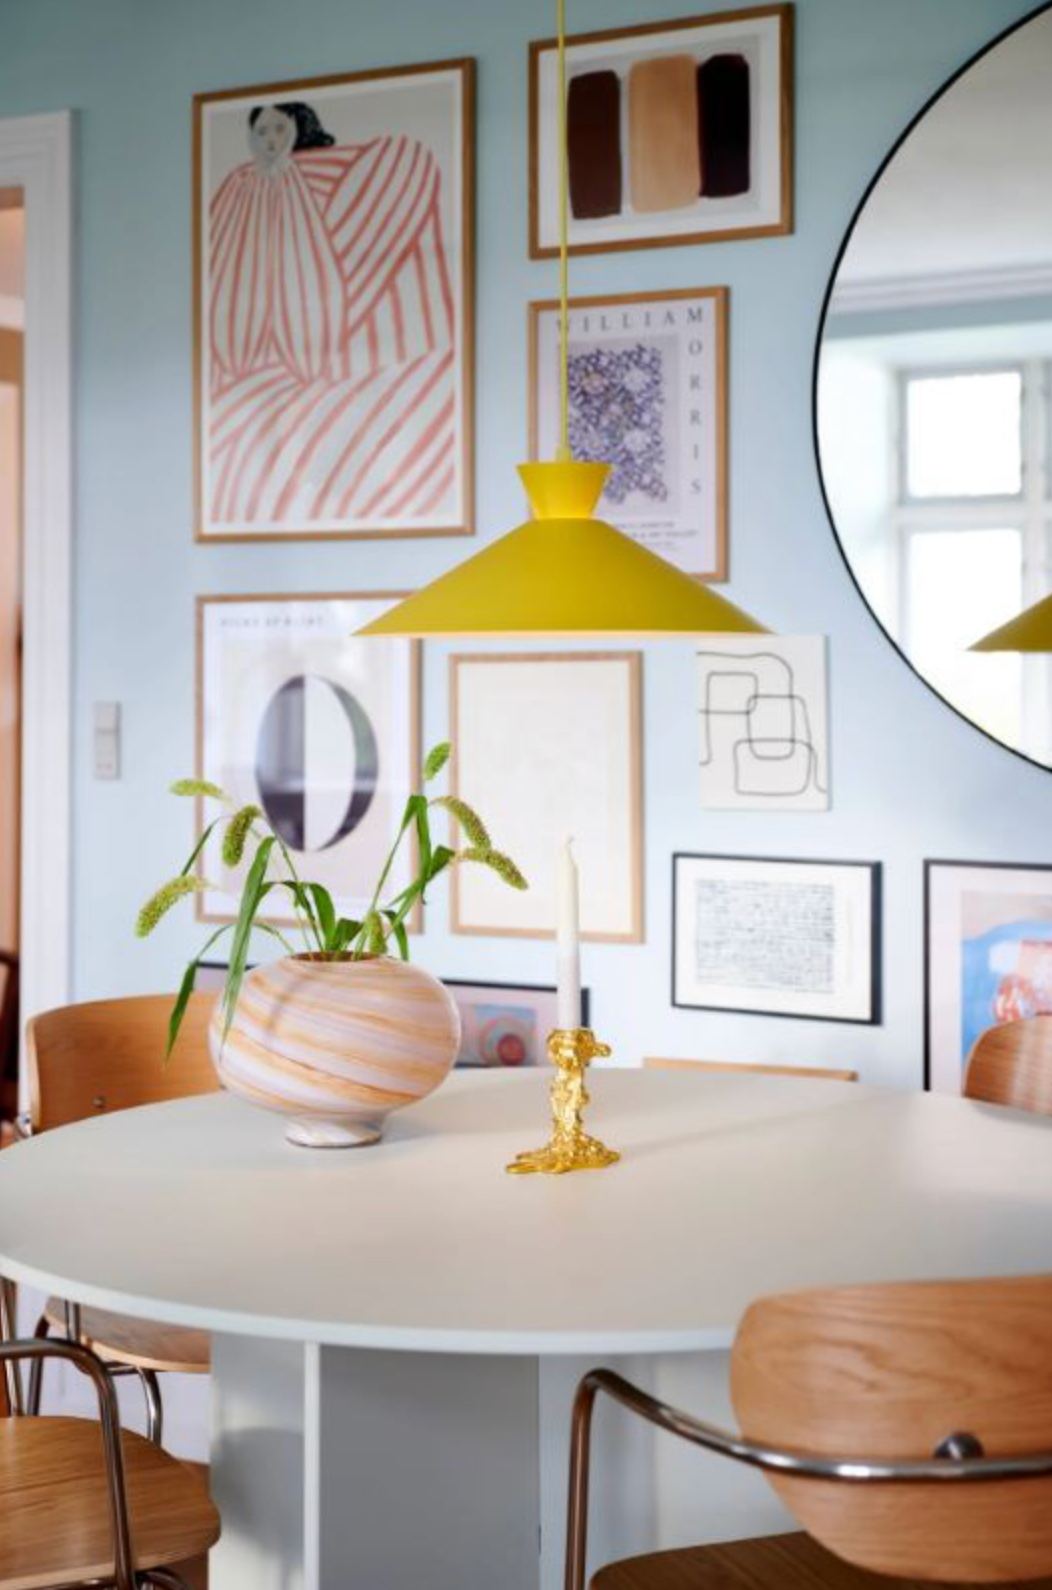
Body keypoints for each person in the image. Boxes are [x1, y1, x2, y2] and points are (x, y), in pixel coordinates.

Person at [207, 100, 456, 527]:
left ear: (299, 130)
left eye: (278, 130)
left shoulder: (378, 168)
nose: (268, 141)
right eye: (261, 131)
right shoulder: (237, 189)